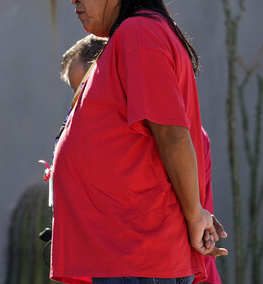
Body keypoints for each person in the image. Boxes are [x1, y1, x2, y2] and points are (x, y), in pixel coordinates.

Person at [50, 0, 227, 284]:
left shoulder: (139, 31)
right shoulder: (133, 36)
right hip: (125, 252)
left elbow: (173, 134)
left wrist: (194, 216)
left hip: (136, 254)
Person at [59, 34, 222, 284]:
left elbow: (197, 206)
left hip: (151, 264)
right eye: (77, 96)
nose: (82, 109)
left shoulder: (168, 137)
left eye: (88, 93)